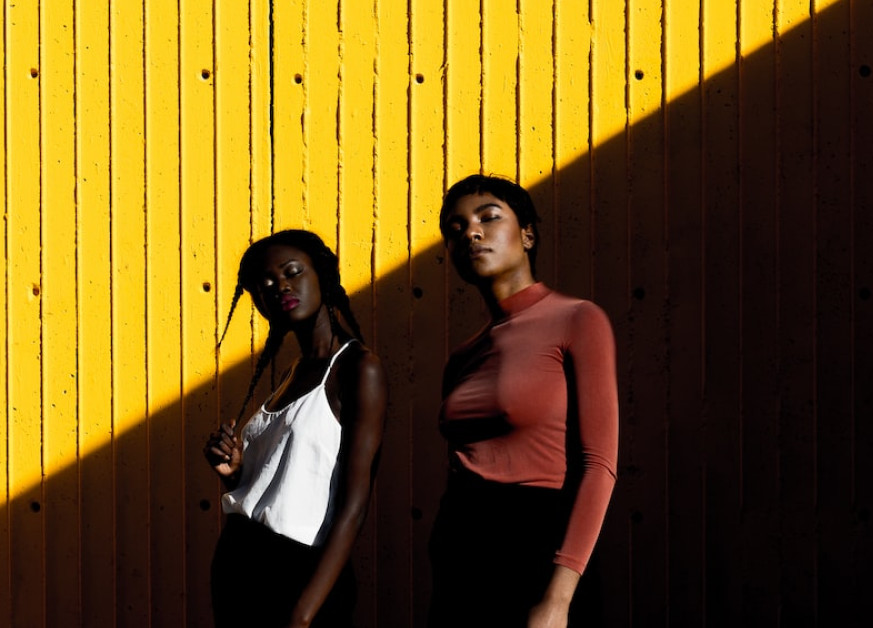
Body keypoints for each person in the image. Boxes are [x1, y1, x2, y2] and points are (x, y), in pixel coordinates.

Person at [428, 174, 619, 628]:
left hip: (537, 546)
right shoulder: (461, 357)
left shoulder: (578, 319)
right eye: (454, 230)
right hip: (460, 550)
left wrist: (559, 598)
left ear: (528, 234)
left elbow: (598, 464)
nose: (470, 232)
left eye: (488, 218)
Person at [204, 230, 387, 628]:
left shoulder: (357, 368)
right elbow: (284, 487)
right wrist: (235, 473)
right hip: (241, 561)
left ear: (321, 274)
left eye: (291, 272)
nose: (279, 287)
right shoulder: (292, 372)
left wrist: (303, 614)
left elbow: (353, 507)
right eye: (264, 284)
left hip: (300, 572)